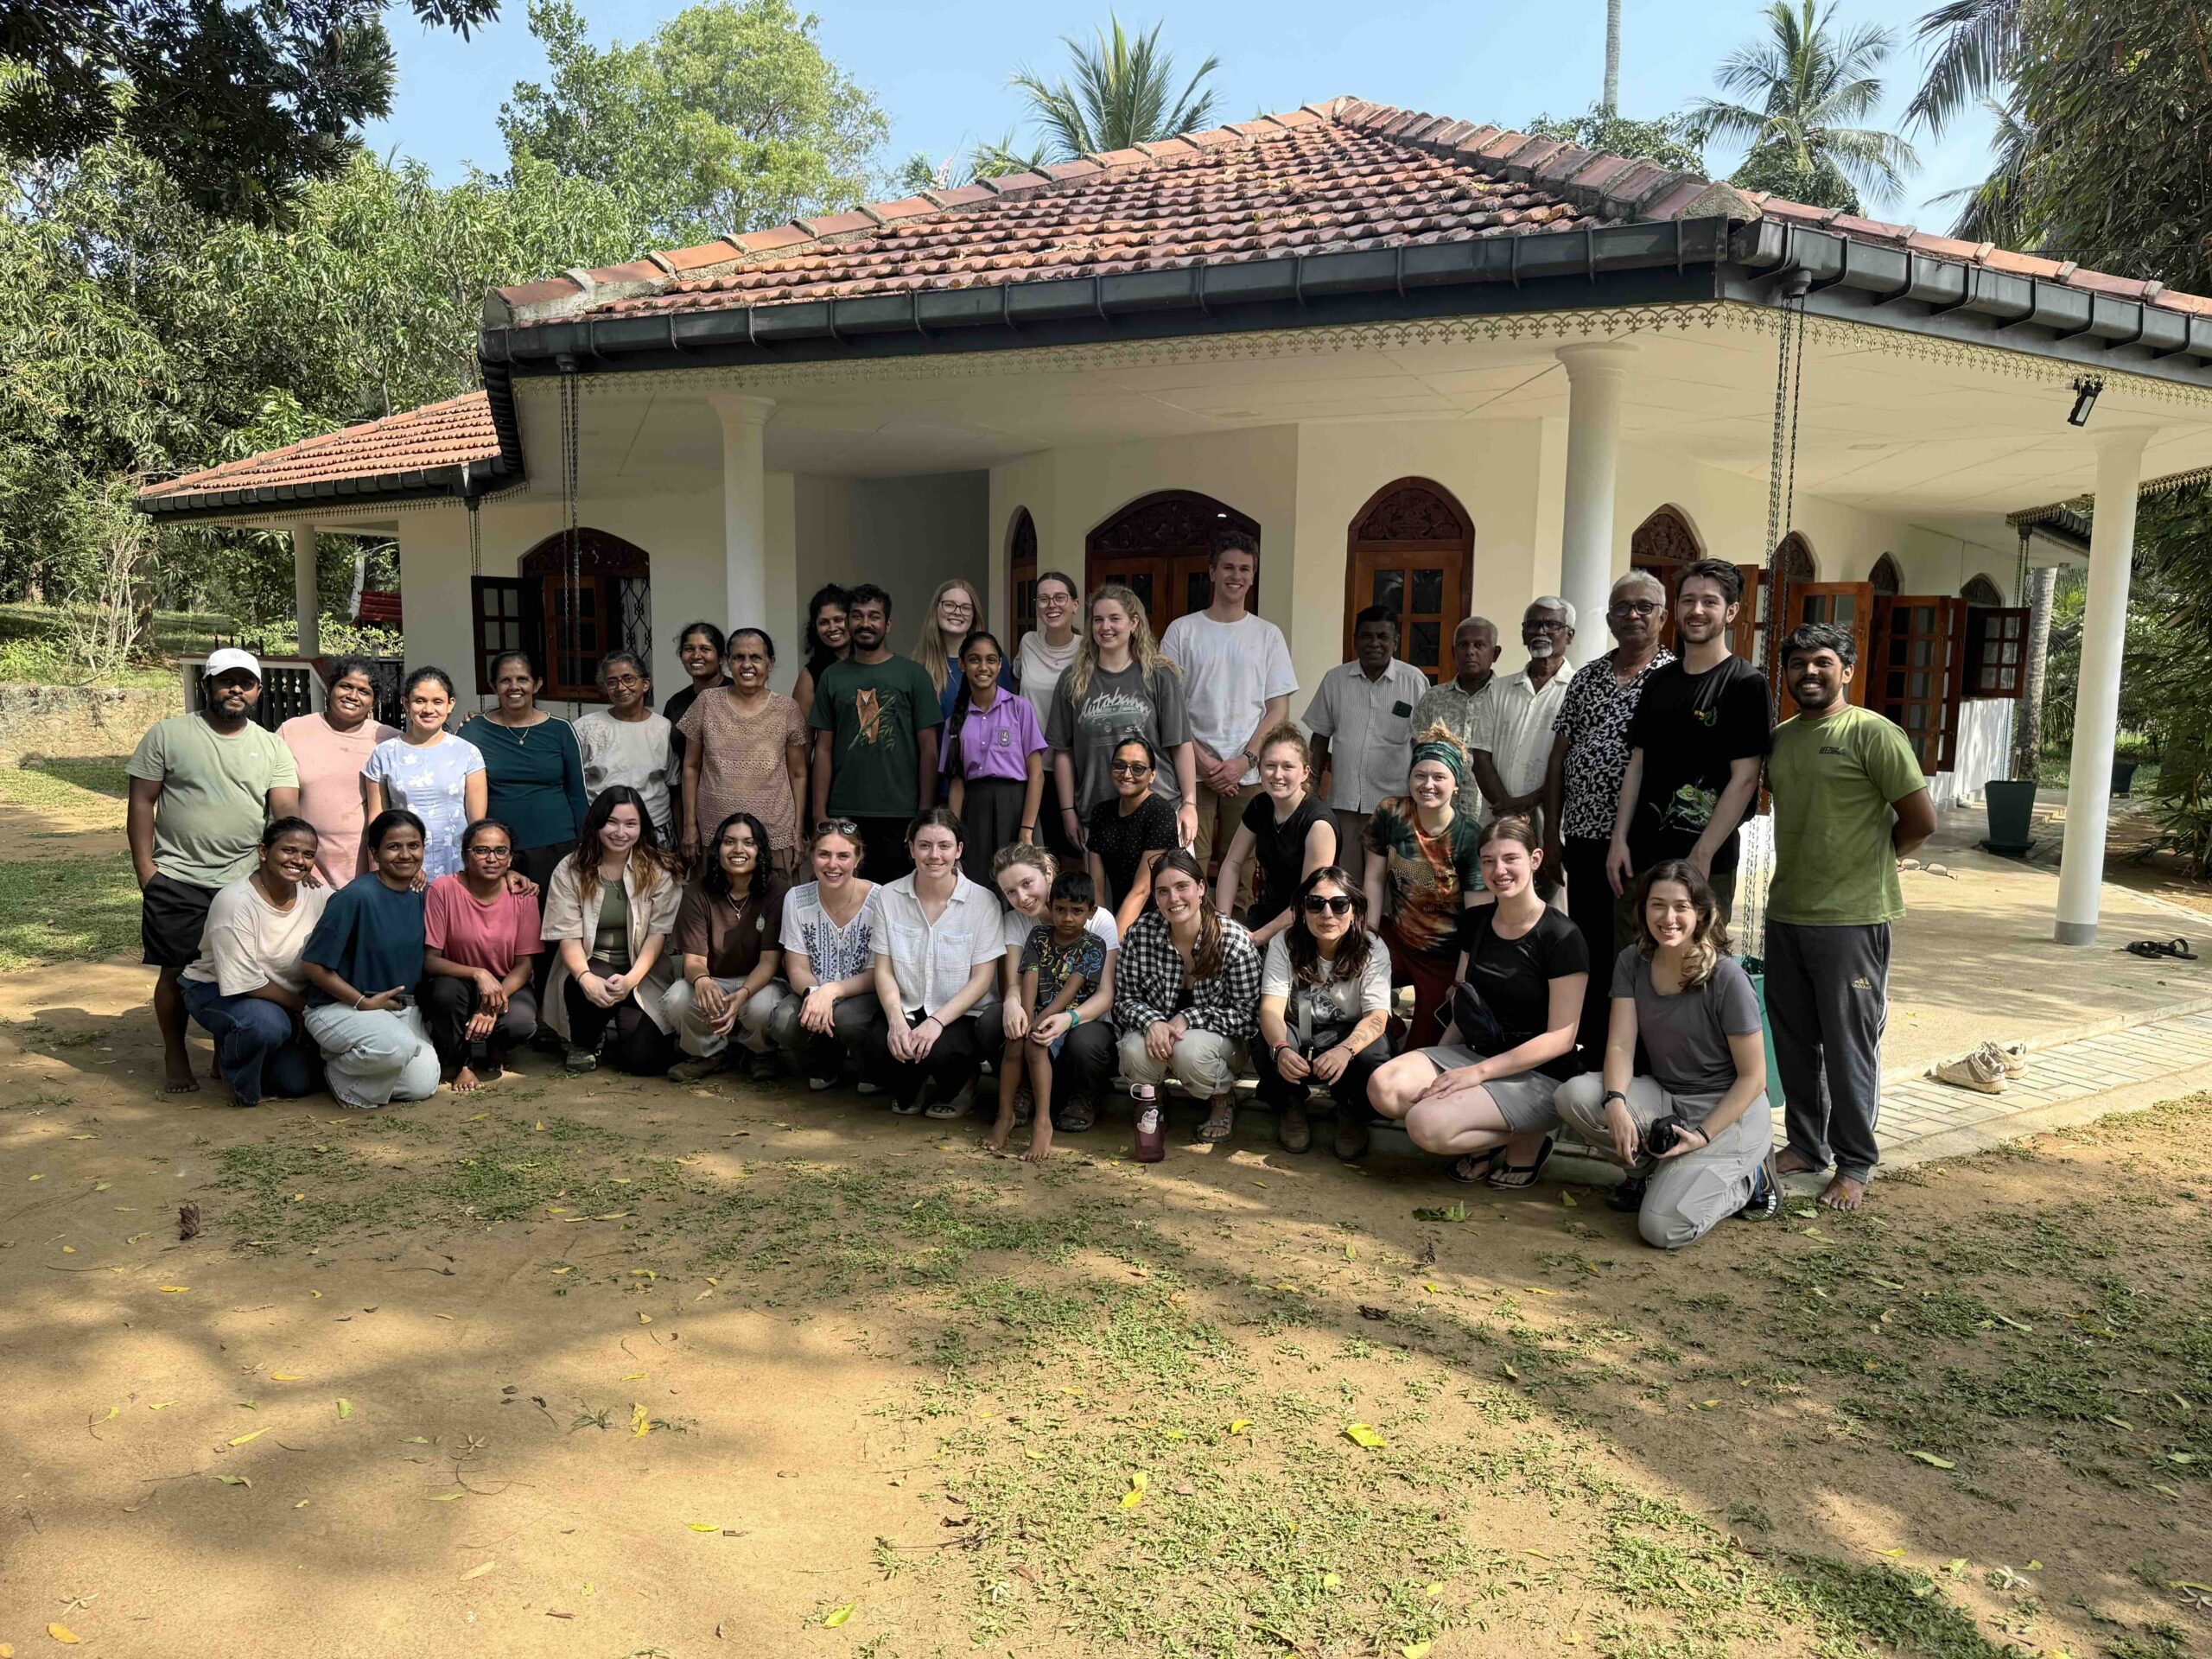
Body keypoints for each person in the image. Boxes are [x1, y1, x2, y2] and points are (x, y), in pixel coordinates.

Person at [1764, 621, 1936, 1213]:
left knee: (1848, 1046)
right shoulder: (1781, 740)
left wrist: (1876, 861)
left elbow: (1921, 820)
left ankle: (1856, 1161)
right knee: (1794, 1042)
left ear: (1847, 671)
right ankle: (1806, 1146)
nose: (1809, 673)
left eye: (1821, 662)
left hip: (1853, 920)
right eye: (1798, 664)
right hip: (1788, 911)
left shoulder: (1872, 733)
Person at [1555, 861, 1782, 1246]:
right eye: (1657, 905)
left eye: (1681, 906)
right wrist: (1615, 1102)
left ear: (1702, 913)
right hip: (1669, 1096)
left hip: (1729, 1113)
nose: (1668, 917)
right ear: (1643, 910)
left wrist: (1703, 1136)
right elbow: (1620, 1044)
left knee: (1661, 1229)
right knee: (1573, 1096)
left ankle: (1751, 1181)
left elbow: (1753, 1078)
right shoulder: (1632, 961)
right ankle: (1648, 1172)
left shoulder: (1727, 978)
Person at [1368, 816, 1587, 1187]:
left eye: (1510, 859)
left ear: (1535, 859)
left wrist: (1476, 1075)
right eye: (1488, 861)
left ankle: (1529, 1139)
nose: (1499, 870)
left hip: (1538, 1073)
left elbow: (1561, 1039)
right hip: (1476, 1053)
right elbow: (1465, 1000)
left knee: (1425, 1124)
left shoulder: (1562, 936)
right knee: (1384, 1087)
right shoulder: (1477, 921)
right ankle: (1484, 1137)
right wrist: (1441, 1064)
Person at [127, 647, 302, 1095]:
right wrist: (147, 870)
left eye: (245, 683)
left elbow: (285, 810)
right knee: (175, 972)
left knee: (233, 970)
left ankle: (225, 1053)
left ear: (258, 690)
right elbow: (142, 801)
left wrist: (291, 858)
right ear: (207, 685)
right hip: (178, 878)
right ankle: (176, 1053)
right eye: (226, 681)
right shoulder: (168, 735)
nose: (235, 689)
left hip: (243, 884)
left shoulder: (272, 746)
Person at [1541, 572, 1674, 1056]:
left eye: (1644, 606)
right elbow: (1559, 757)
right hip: (1583, 838)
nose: (1632, 615)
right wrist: (1552, 836)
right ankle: (1594, 1048)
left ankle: (1638, 1053)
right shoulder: (1587, 678)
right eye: (1622, 607)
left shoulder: (1674, 678)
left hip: (1643, 842)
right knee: (1591, 943)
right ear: (1610, 619)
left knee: (1637, 946)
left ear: (1663, 616)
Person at [1607, 560, 1774, 919]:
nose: (1697, 610)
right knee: (1633, 951)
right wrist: (1619, 839)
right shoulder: (1658, 681)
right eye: (1688, 600)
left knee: (1698, 952)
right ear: (1676, 609)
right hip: (1641, 858)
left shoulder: (1745, 684)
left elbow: (1745, 779)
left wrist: (1702, 853)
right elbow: (1637, 764)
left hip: (1706, 862)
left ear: (1731, 612)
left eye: (1709, 602)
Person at [1159, 533, 1295, 908]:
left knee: (1243, 868)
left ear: (1253, 576)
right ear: (1212, 572)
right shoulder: (1182, 631)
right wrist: (1202, 760)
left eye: (1245, 569)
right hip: (1191, 772)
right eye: (1229, 567)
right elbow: (1168, 706)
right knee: (1188, 864)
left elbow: (1277, 708)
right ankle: (1194, 936)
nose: (1237, 576)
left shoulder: (1268, 635)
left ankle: (1235, 939)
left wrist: (1244, 761)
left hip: (1247, 775)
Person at [1113, 849, 1263, 1143]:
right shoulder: (1140, 934)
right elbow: (1124, 1001)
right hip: (1159, 1038)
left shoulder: (1233, 940)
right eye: (1163, 891)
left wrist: (1189, 1017)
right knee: (1133, 1049)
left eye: (1182, 887)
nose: (1174, 898)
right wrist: (1152, 1021)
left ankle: (1222, 1099)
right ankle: (1154, 1099)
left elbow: (1248, 1017)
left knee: (1189, 1050)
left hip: (1221, 1046)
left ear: (1201, 888)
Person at [177, 817, 328, 1107]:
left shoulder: (317, 893)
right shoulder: (235, 902)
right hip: (220, 990)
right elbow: (246, 983)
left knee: (295, 1083)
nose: (298, 860)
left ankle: (250, 1052)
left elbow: (351, 913)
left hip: (282, 998)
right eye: (288, 850)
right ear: (263, 852)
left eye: (308, 854)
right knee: (264, 1025)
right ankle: (238, 1081)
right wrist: (303, 1007)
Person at [298, 809, 442, 1109]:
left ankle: (374, 1062)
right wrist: (362, 1002)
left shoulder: (422, 894)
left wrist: (513, 876)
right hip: (342, 1006)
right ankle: (340, 1076)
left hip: (399, 1010)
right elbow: (312, 965)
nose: (405, 855)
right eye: (394, 847)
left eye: (413, 846)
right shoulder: (354, 897)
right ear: (374, 853)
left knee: (422, 1083)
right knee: (396, 1047)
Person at [866, 809, 1004, 1116]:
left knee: (940, 1051)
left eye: (944, 846)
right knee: (879, 1042)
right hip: (908, 1007)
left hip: (960, 1015)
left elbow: (982, 980)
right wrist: (896, 1021)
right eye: (925, 845)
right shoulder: (888, 896)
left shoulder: (984, 902)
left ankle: (963, 1083)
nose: (934, 855)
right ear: (911, 848)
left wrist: (937, 1022)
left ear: (959, 850)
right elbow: (884, 970)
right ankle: (913, 1082)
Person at [541, 785, 682, 1075]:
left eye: (630, 824)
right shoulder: (570, 869)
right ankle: (584, 1040)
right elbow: (568, 938)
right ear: (597, 823)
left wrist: (631, 980)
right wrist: (585, 978)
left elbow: (657, 936)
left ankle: (619, 1022)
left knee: (644, 1061)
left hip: (641, 973)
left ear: (642, 827)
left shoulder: (659, 870)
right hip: (591, 966)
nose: (620, 832)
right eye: (612, 822)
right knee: (587, 982)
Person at [1046, 583, 1197, 853]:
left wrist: (1189, 803)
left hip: (1160, 809)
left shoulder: (1158, 675)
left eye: (1114, 618)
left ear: (1133, 623)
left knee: (1168, 882)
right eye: (1098, 620)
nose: (1106, 627)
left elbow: (1180, 743)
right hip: (1097, 815)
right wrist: (1067, 810)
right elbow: (1063, 752)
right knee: (1102, 883)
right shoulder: (1072, 680)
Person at [1255, 867, 1392, 1159]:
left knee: (1373, 1051)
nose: (1327, 914)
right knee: (1264, 1039)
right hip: (1299, 1031)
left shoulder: (1372, 947)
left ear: (1355, 910)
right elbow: (1270, 1009)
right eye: (1315, 904)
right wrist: (1281, 1049)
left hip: (1347, 1035)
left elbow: (1377, 1017)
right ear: (1302, 910)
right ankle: (1290, 1104)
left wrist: (1345, 1050)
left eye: (1339, 904)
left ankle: (1352, 1111)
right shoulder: (1285, 942)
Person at [808, 584, 941, 884]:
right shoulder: (832, 677)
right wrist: (819, 814)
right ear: (848, 622)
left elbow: (929, 749)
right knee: (843, 894)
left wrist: (924, 812)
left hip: (901, 813)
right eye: (857, 616)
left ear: (888, 624)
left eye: (874, 616)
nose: (865, 623)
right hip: (844, 812)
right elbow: (823, 749)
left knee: (897, 897)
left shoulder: (914, 675)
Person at [1362, 728, 1484, 1051]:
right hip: (1397, 939)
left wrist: (1460, 980)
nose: (1428, 784)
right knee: (1343, 964)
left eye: (1439, 777)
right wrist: (1368, 936)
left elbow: (1477, 920)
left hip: (1444, 959)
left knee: (1422, 1052)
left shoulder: (1469, 837)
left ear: (1456, 784)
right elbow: (1374, 878)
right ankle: (1388, 1023)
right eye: (1420, 775)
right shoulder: (1390, 813)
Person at [992, 843, 1119, 1133]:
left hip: (1084, 1018)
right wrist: (1013, 1004)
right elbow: (1014, 983)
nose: (1022, 898)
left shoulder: (1099, 921)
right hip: (1034, 1010)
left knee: (1085, 1040)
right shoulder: (1017, 923)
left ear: (1048, 873)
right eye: (1010, 892)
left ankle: (1083, 1096)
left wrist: (1067, 1018)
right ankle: (1023, 1088)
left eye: (1027, 884)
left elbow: (1105, 995)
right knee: (994, 1021)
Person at [663, 810, 790, 1082]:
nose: (738, 850)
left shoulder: (777, 891)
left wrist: (742, 994)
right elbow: (693, 961)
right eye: (729, 842)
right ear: (718, 849)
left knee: (762, 1007)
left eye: (748, 842)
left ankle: (759, 1053)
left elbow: (769, 962)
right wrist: (702, 981)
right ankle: (708, 1054)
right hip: (713, 977)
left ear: (760, 851)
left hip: (760, 981)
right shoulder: (697, 892)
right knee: (678, 998)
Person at [419, 817, 541, 1091]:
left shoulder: (523, 895)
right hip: (457, 980)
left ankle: (496, 1046)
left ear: (510, 859)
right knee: (444, 996)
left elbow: (524, 965)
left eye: (500, 851)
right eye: (481, 850)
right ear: (465, 856)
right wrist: (478, 973)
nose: (491, 858)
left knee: (520, 1023)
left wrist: (491, 1005)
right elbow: (431, 960)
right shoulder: (443, 889)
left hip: (507, 981)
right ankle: (461, 1062)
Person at [677, 626, 808, 880]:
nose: (747, 665)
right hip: (715, 828)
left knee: (774, 899)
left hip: (774, 829)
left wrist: (798, 831)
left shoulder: (787, 710)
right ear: (728, 661)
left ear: (770, 663)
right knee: (716, 899)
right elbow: (691, 766)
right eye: (739, 657)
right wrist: (689, 825)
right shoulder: (707, 702)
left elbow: (798, 773)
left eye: (756, 657)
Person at [459, 649, 588, 897]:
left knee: (554, 917)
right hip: (496, 852)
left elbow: (577, 793)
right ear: (493, 686)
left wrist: (585, 844)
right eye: (505, 680)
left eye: (522, 679)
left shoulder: (561, 730)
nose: (514, 687)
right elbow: (460, 793)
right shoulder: (473, 731)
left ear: (537, 684)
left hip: (557, 846)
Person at [1305, 607, 1431, 859]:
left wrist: (1423, 799)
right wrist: (1311, 791)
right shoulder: (1335, 680)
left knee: (1390, 877)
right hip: (1344, 803)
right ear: (1355, 641)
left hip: (1396, 806)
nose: (1374, 643)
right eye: (1366, 636)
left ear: (1395, 642)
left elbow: (1424, 746)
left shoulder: (1414, 682)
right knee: (1344, 875)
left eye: (1382, 637)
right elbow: (1319, 738)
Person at [770, 819, 887, 1089]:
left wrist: (831, 991)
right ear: (812, 857)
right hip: (814, 990)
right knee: (784, 1021)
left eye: (843, 856)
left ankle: (871, 1070)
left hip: (862, 995)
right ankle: (824, 1065)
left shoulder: (880, 899)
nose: (832, 865)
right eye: (824, 854)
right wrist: (815, 994)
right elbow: (796, 967)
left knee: (848, 1020)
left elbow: (877, 973)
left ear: (858, 858)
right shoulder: (796, 898)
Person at [1214, 725, 1336, 950]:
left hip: (1308, 921)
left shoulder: (1318, 823)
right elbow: (1232, 864)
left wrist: (1257, 938)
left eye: (1288, 766)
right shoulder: (1259, 806)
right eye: (1270, 765)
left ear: (1305, 772)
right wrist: (1223, 923)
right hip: (1265, 913)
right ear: (1259, 770)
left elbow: (1308, 898)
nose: (1277, 774)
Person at [280, 657, 397, 888]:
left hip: (369, 875)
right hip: (307, 871)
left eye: (364, 691)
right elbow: (282, 804)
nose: (353, 696)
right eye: (346, 686)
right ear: (330, 688)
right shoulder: (293, 731)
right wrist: (297, 857)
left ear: (374, 701)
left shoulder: (389, 740)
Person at [941, 629, 1046, 882]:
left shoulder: (1020, 708)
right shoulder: (954, 722)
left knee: (1021, 884)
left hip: (1016, 807)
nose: (983, 667)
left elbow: (1036, 774)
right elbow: (957, 784)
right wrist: (954, 838)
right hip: (975, 813)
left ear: (1000, 666)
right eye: (974, 660)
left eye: (990, 660)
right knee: (978, 886)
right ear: (962, 665)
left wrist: (1027, 829)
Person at [363, 666, 485, 882]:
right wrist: (378, 870)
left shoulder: (467, 753)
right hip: (403, 864)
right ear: (406, 703)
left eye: (438, 701)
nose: (429, 709)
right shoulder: (385, 753)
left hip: (456, 864)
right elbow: (377, 820)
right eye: (420, 701)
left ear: (450, 704)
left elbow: (477, 823)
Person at [1470, 599, 1574, 839]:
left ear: (1569, 635)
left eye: (1552, 625)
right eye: (1533, 625)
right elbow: (1481, 756)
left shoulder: (1580, 689)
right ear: (1523, 634)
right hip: (1499, 819)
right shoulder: (1499, 689)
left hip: (1555, 824)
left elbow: (1575, 764)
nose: (1541, 631)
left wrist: (1528, 802)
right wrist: (1507, 808)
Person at [575, 651, 675, 841]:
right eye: (612, 682)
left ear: (645, 684)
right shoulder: (585, 727)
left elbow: (673, 783)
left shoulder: (664, 728)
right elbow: (573, 784)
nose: (621, 687)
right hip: (603, 828)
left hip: (654, 827)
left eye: (628, 679)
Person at [1086, 735, 1180, 933]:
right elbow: (1096, 887)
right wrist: (1099, 933)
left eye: (1138, 768)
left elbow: (1143, 890)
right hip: (1121, 917)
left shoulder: (1160, 812)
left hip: (1161, 920)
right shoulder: (1101, 812)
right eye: (1119, 766)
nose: (1127, 774)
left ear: (1152, 775)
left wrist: (1112, 941)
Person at [1413, 619, 1502, 822]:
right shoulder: (1433, 698)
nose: (1470, 651)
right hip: (1440, 816)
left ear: (1495, 653)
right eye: (1463, 645)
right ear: (1454, 653)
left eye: (1479, 645)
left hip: (1490, 815)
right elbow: (1419, 755)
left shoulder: (1505, 698)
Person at [664, 620, 732, 840]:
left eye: (705, 649)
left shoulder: (737, 695)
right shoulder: (676, 704)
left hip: (729, 802)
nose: (696, 655)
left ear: (721, 657)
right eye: (689, 649)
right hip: (686, 804)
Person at [913, 578, 1011, 721]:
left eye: (966, 607)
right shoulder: (918, 666)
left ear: (974, 615)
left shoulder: (993, 663)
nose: (957, 612)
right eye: (949, 605)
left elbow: (1008, 717)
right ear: (936, 609)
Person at [1014, 569, 1082, 738]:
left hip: (1071, 750)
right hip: (1028, 749)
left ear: (1075, 605)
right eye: (1044, 599)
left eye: (1060, 597)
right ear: (1037, 609)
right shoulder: (1028, 642)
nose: (1052, 604)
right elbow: (1013, 682)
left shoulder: (1088, 649)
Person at [790, 584, 851, 724]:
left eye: (838, 620)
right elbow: (801, 733)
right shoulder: (810, 675)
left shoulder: (870, 662)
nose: (832, 628)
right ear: (815, 628)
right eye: (824, 623)